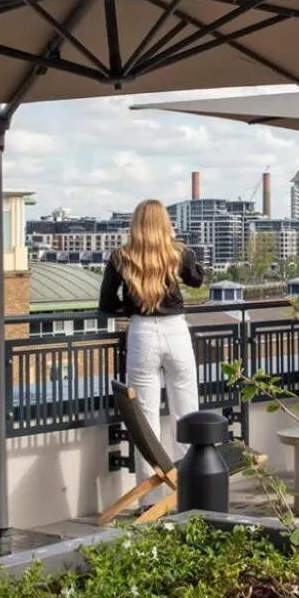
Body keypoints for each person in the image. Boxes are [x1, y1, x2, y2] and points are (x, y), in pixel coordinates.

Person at [98, 200, 206, 495]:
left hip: (142, 333)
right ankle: (188, 488)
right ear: (165, 225)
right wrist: (179, 246)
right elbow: (197, 279)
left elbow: (106, 303)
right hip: (176, 331)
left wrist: (131, 308)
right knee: (186, 409)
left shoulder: (121, 256)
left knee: (144, 420)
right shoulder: (177, 253)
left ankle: (150, 498)